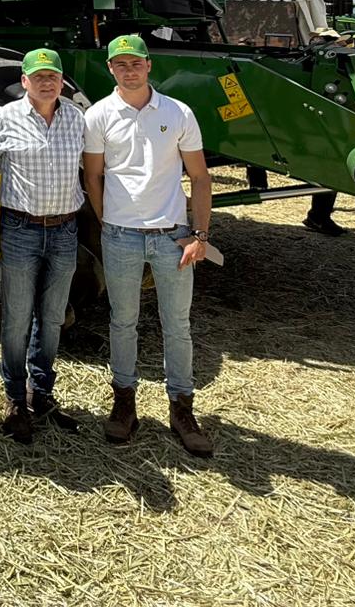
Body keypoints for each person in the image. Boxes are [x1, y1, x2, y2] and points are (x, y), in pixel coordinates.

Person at [82, 34, 215, 457]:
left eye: (135, 63)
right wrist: (108, 221)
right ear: (110, 69)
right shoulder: (98, 115)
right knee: (123, 322)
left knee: (177, 324)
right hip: (120, 236)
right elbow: (93, 176)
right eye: (120, 64)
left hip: (172, 236)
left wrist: (200, 236)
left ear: (149, 65)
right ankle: (124, 404)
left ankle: (182, 409)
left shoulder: (178, 113)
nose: (129, 70)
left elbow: (200, 177)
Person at [0, 48, 86, 443]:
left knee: (53, 315)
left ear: (62, 81)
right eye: (38, 76)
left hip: (65, 229)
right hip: (21, 228)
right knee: (16, 316)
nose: (47, 82)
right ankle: (15, 396)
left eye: (53, 76)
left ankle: (41, 390)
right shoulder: (2, 119)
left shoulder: (77, 119)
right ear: (24, 81)